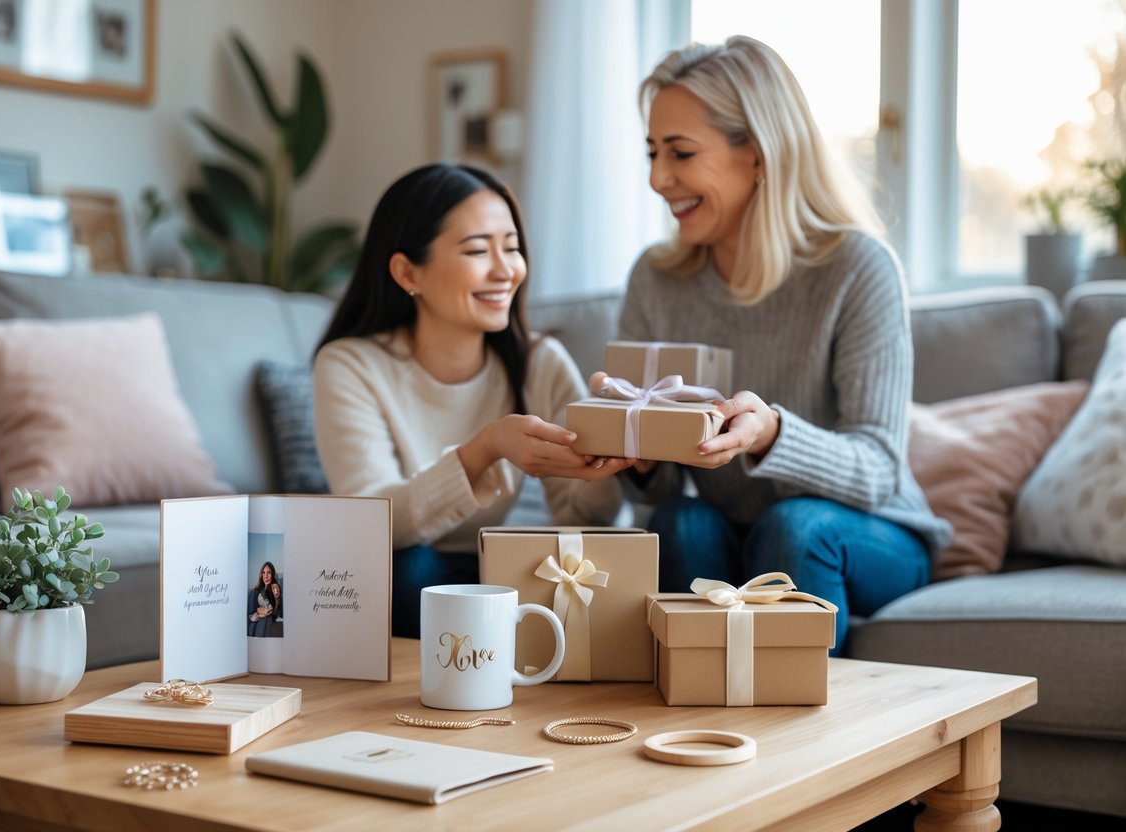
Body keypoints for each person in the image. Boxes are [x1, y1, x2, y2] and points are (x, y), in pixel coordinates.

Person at [615, 37, 952, 654]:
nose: (659, 178)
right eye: (653, 152)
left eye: (681, 153)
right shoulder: (655, 279)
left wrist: (772, 434)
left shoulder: (857, 268)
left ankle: (809, 743)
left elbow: (879, 469)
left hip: (867, 532)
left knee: (795, 528)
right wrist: (632, 440)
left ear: (761, 156)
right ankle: (693, 720)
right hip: (734, 525)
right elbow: (662, 490)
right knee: (676, 524)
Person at [314, 163, 631, 638]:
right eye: (479, 250)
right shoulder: (350, 365)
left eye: (512, 247)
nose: (506, 270)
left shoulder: (540, 361)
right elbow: (371, 519)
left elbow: (585, 519)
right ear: (406, 272)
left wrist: (604, 453)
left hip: (508, 572)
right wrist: (485, 449)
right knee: (412, 571)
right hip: (409, 573)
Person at [247, 561, 277, 637]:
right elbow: (251, 616)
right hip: (259, 629)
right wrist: (262, 613)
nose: (266, 576)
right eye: (263, 573)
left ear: (273, 574)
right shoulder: (255, 591)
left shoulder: (276, 590)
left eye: (269, 573)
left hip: (273, 629)